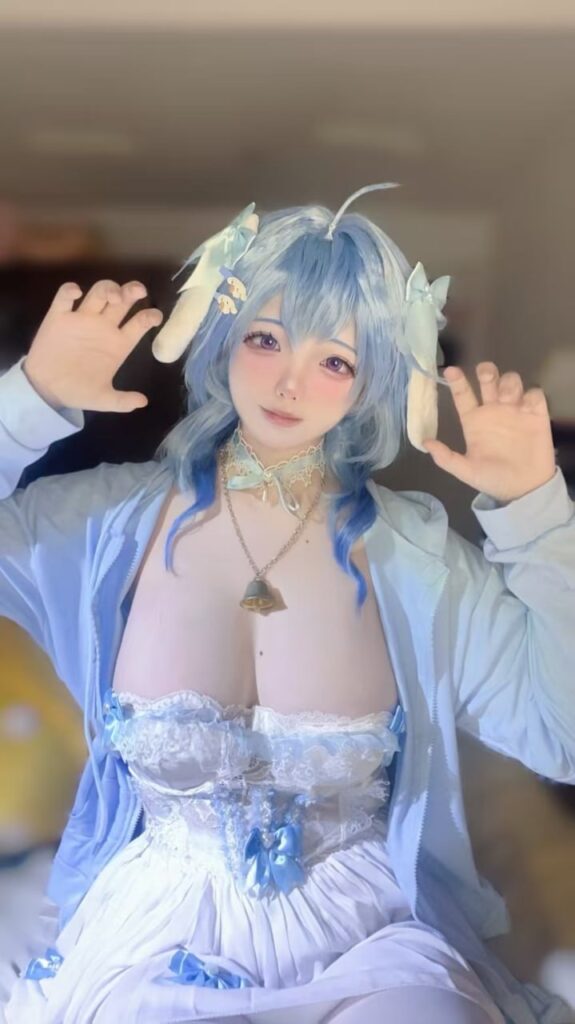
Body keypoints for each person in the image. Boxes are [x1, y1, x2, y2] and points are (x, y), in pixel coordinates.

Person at [0, 184, 573, 1024]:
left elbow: (561, 732)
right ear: (224, 336)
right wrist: (29, 400)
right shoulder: (99, 523)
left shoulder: (417, 560)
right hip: (151, 935)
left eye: (334, 361)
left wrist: (535, 508)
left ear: (373, 381)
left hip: (370, 941)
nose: (289, 381)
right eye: (265, 339)